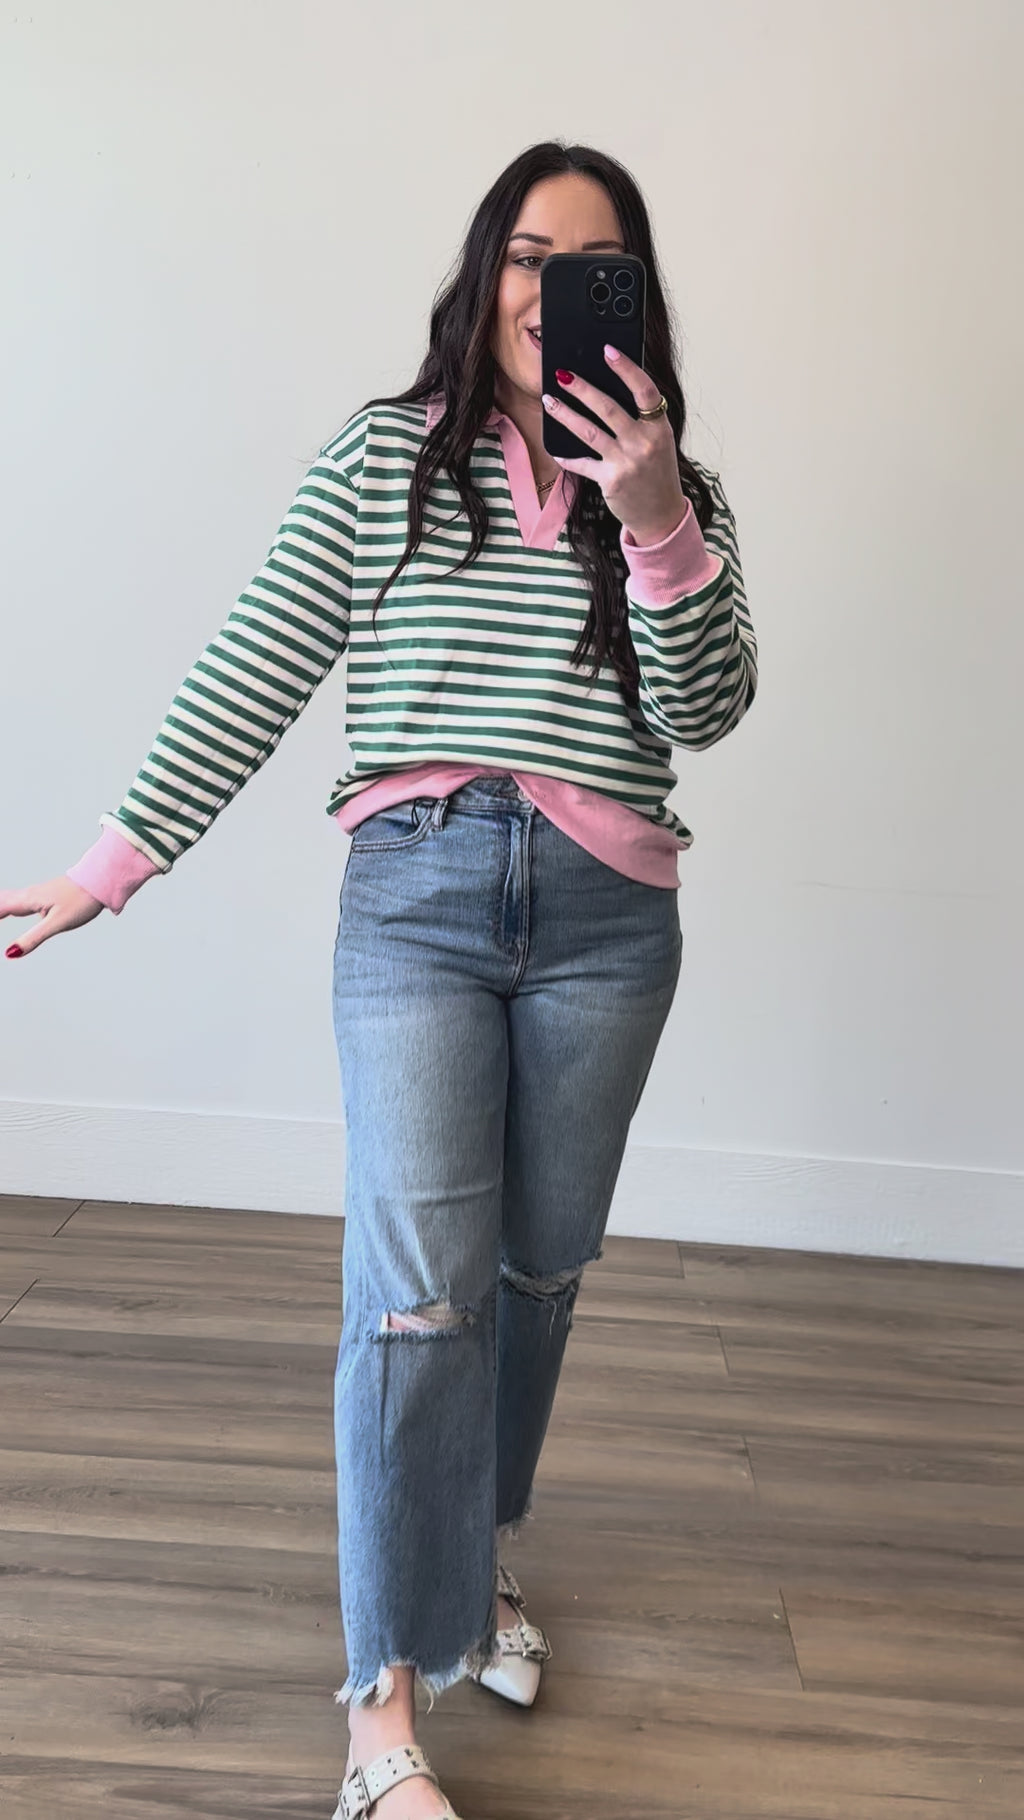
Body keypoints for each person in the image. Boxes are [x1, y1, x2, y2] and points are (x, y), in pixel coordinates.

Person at [0, 141, 757, 1820]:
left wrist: (653, 518)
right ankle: (378, 1716)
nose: (551, 290)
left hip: (610, 921)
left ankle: (472, 1558)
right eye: (529, 254)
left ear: (632, 298)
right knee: (419, 1292)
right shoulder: (382, 457)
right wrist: (112, 864)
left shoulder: (677, 492)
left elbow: (708, 710)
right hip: (417, 900)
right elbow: (258, 658)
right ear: (486, 270)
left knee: (537, 1276)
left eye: (593, 265)